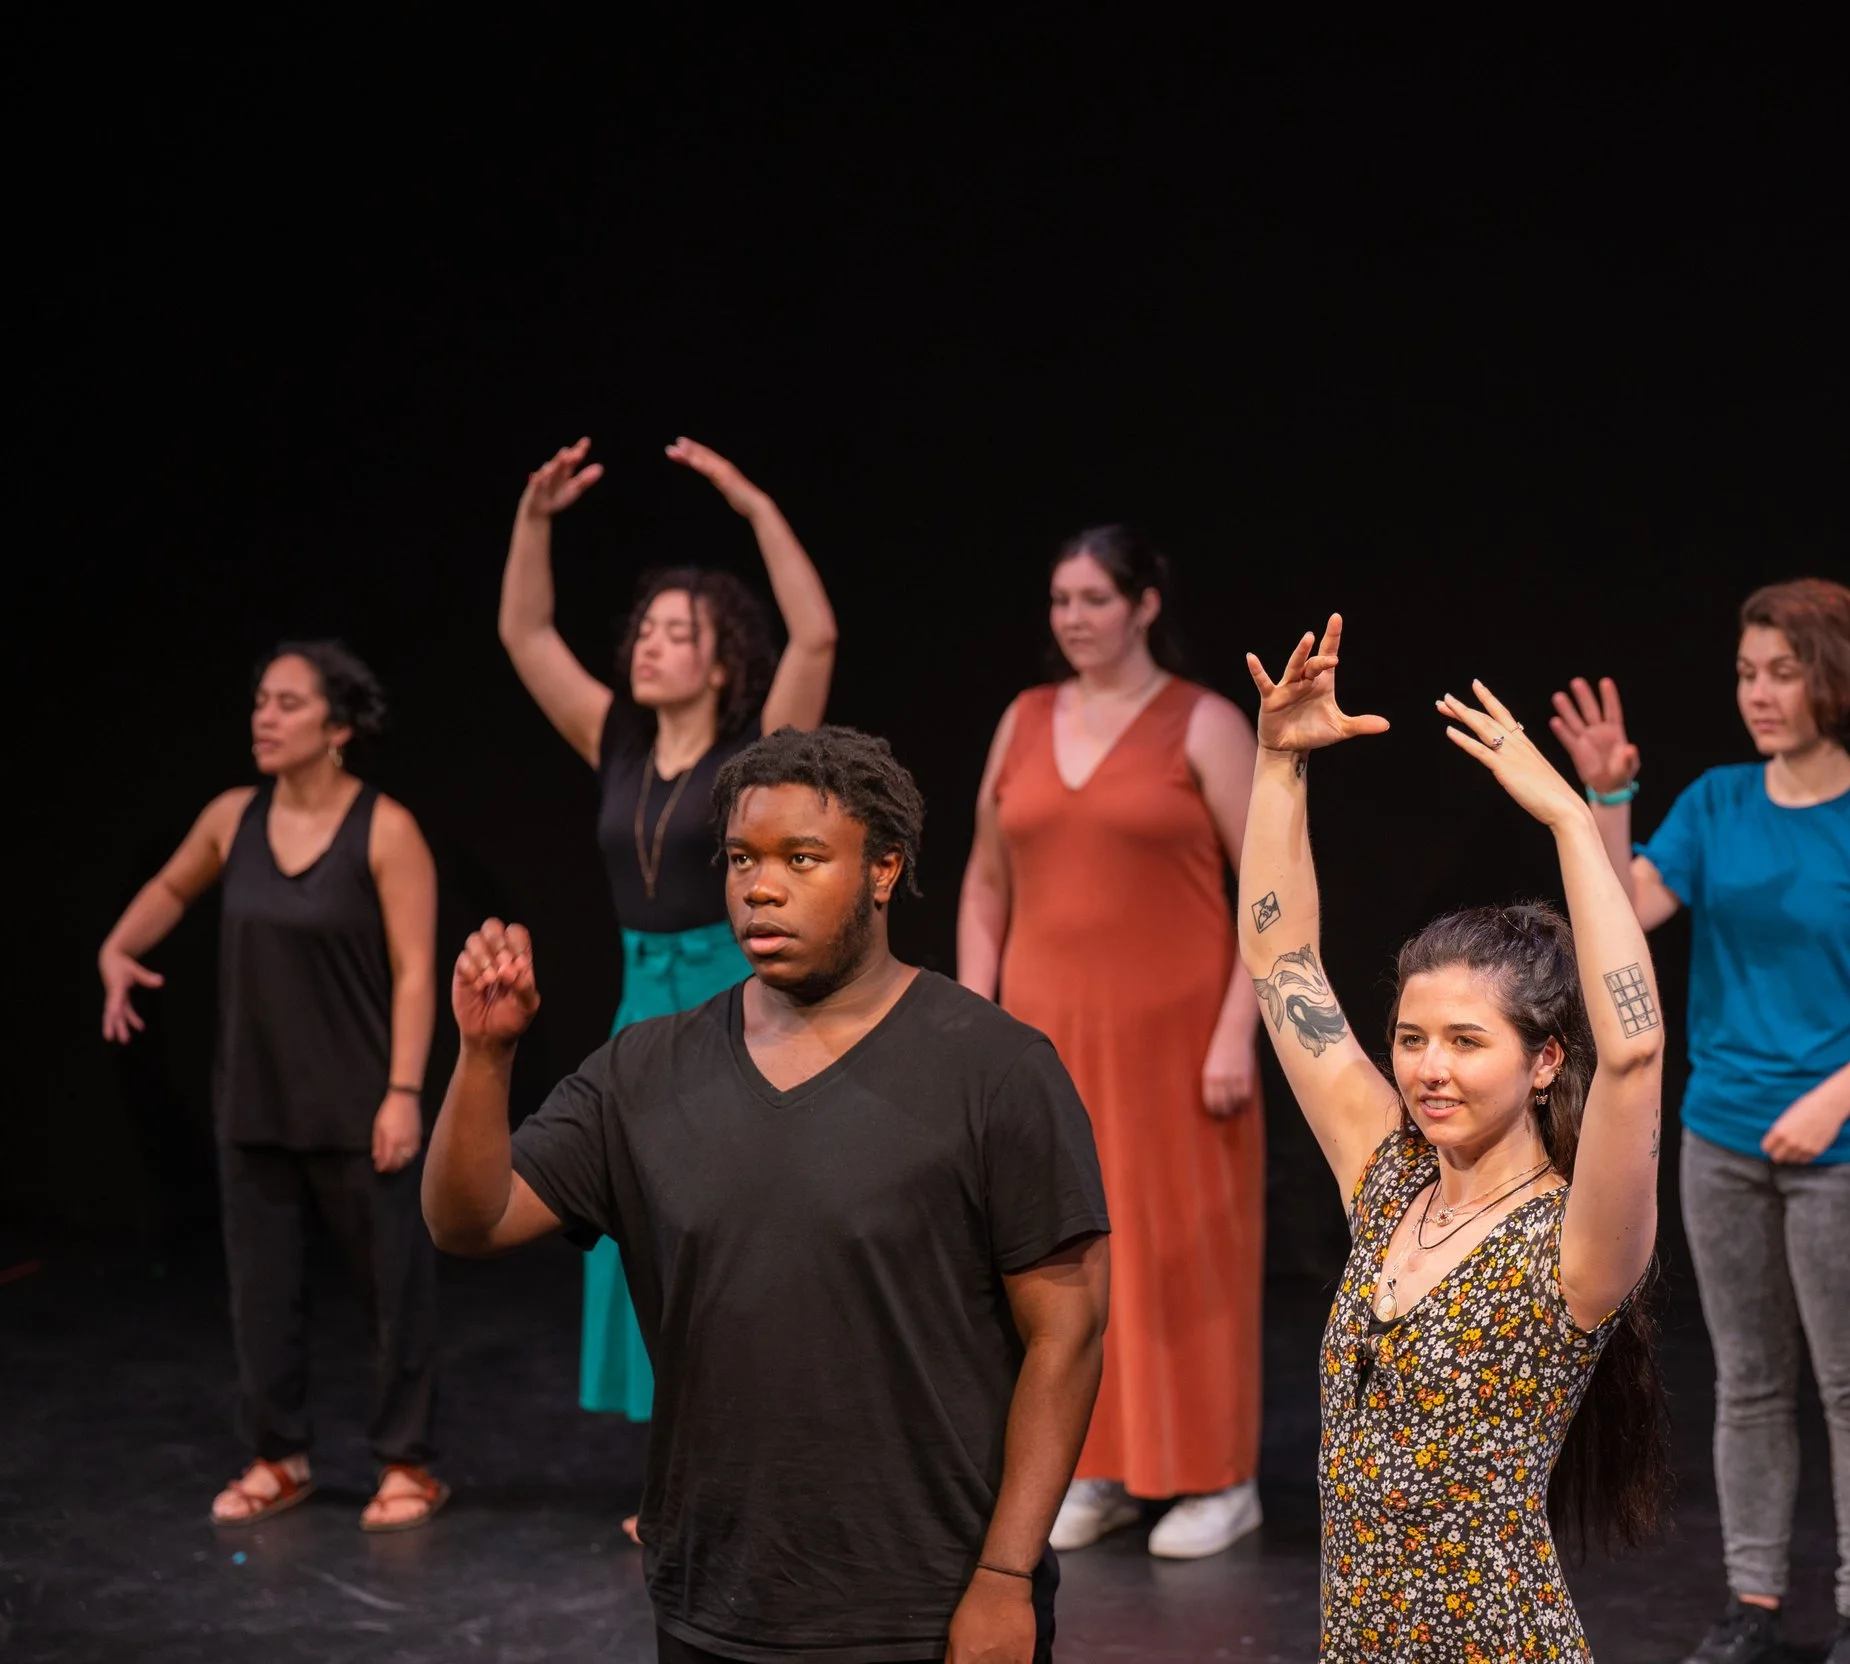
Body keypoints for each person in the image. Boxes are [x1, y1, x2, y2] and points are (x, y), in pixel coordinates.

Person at [423, 726, 1110, 1664]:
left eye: (803, 857)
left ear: (882, 869)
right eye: (743, 858)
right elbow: (470, 1219)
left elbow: (1067, 1332)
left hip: (926, 1604)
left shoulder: (995, 1069)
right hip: (715, 1597)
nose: (761, 885)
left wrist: (1004, 1577)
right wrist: (484, 1055)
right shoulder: (645, 1070)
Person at [1237, 614, 1666, 1661]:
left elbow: (1639, 1049)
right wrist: (1277, 764)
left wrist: (1571, 819)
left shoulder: (1575, 1245)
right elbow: (1280, 958)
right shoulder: (1388, 1178)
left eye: (1466, 1041)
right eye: (1412, 1037)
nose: (1428, 1067)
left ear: (1544, 1060)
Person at [1553, 580, 1850, 1664]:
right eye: (1746, 672)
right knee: (1746, 1378)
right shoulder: (1716, 803)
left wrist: (1830, 1102)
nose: (1759, 693)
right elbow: (1618, 922)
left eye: (1782, 670)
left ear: (1836, 677)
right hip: (1722, 1137)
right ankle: (1753, 1599)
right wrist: (1609, 796)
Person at [496, 434, 837, 1533]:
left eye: (675, 633)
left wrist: (752, 502)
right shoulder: (613, 738)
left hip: (734, 1005)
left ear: (721, 659)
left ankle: (743, 1464)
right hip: (639, 1010)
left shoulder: (760, 750)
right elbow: (523, 630)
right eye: (644, 629)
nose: (649, 645)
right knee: (646, 1237)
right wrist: (534, 519)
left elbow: (818, 630)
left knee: (730, 1235)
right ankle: (678, 1468)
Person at [958, 527, 1266, 1560]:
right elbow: (985, 883)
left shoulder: (1205, 722)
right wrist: (973, 1014)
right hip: (1046, 1033)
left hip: (1177, 1039)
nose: (1074, 618)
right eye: (1060, 600)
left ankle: (1216, 1475)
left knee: (1184, 1253)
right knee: (1063, 1253)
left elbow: (1269, 893)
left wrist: (1238, 1029)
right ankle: (1096, 1461)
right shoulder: (1023, 718)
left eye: (1094, 597)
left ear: (1142, 604)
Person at [98, 642, 446, 1532]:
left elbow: (415, 971)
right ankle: (277, 1455)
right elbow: (171, 888)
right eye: (260, 700)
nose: (264, 716)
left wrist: (404, 1091)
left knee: (391, 1288)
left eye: (287, 704)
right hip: (254, 1101)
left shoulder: (386, 829)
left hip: (359, 1100)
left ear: (337, 728)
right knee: (261, 1291)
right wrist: (117, 950)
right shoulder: (230, 818)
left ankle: (407, 1462)